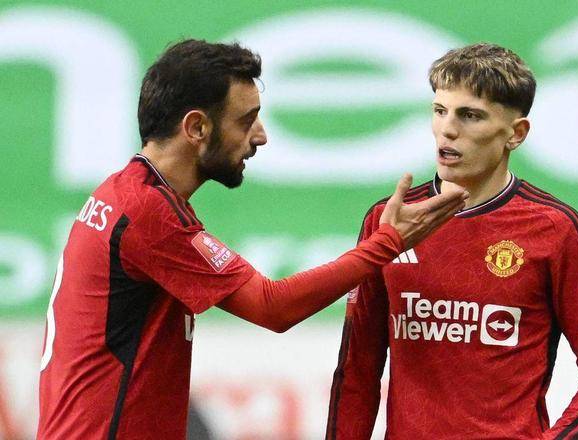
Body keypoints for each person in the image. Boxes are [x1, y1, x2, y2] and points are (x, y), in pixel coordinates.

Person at [36, 39, 469, 439]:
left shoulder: (125, 194)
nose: (260, 135)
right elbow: (273, 306)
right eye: (245, 121)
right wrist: (387, 243)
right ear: (196, 127)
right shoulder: (148, 212)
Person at [326, 43, 578, 439]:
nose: (448, 129)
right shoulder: (389, 220)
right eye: (440, 111)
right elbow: (357, 370)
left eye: (470, 115)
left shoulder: (555, 228)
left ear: (516, 134)